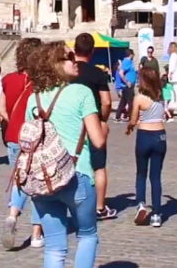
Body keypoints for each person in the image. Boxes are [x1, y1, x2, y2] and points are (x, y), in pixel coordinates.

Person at [24, 41, 106, 268]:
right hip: (76, 174)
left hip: (42, 178)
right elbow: (98, 140)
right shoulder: (82, 92)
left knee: (54, 246)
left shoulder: (34, 98)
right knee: (87, 234)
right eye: (69, 57)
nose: (74, 60)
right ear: (55, 64)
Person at [0, 38, 44, 250]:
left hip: (14, 137)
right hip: (36, 139)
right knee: (38, 187)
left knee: (19, 181)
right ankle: (36, 235)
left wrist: (14, 123)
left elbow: (0, 110)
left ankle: (12, 215)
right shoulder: (42, 82)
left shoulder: (8, 79)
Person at [71, 33, 117, 220]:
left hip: (71, 122)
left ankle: (72, 202)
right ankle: (99, 207)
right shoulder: (98, 73)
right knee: (98, 166)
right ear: (92, 51)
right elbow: (106, 102)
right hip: (93, 123)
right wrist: (102, 120)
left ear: (75, 50)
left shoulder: (68, 72)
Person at [127, 67, 167, 228]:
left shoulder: (139, 98)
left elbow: (133, 119)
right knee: (156, 176)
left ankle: (141, 204)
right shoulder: (160, 96)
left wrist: (130, 126)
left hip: (144, 135)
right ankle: (156, 214)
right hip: (160, 136)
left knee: (141, 173)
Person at [114, 49, 137, 123]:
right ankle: (131, 117)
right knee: (131, 102)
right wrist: (127, 82)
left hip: (128, 85)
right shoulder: (127, 62)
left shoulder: (128, 62)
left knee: (123, 102)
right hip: (127, 86)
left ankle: (118, 117)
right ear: (131, 55)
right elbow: (121, 72)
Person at [166, 43, 177, 119]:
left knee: (175, 89)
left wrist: (170, 73)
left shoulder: (173, 55)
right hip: (176, 74)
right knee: (173, 89)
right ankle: (173, 101)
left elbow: (172, 65)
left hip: (174, 74)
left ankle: (176, 101)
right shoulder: (176, 55)